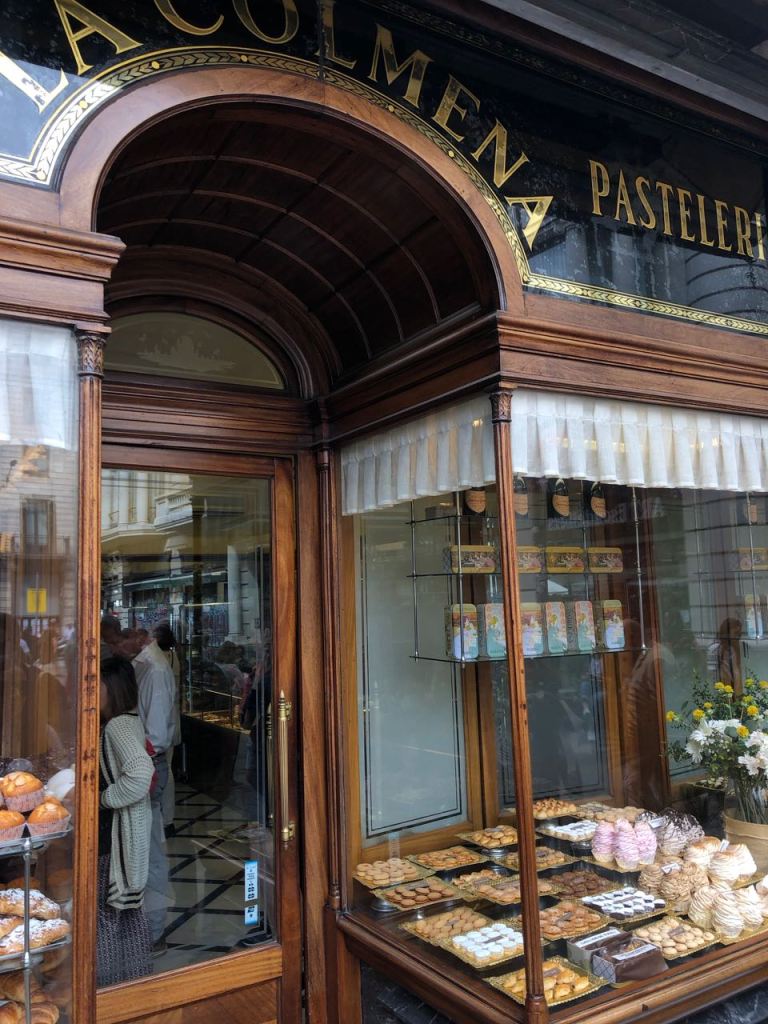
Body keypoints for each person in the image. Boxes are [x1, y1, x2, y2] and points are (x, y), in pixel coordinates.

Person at [97, 656, 154, 987]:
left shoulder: (117, 726)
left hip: (114, 837)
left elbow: (140, 774)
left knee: (105, 917)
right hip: (126, 836)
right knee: (127, 919)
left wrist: (102, 799)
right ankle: (134, 987)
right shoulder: (128, 720)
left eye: (97, 685)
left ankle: (106, 993)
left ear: (112, 688)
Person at [133, 631, 176, 952]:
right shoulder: (145, 665)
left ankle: (154, 930)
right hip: (142, 764)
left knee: (150, 851)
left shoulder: (155, 670)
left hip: (146, 765)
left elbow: (157, 735)